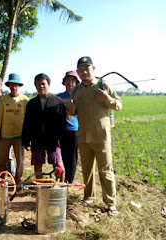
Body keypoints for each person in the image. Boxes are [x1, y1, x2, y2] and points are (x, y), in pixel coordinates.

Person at [67, 56, 122, 216]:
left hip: (101, 136)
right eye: (81, 69)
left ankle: (111, 204)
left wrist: (107, 98)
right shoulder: (76, 90)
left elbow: (118, 105)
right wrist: (71, 111)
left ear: (93, 69)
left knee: (105, 170)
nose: (84, 71)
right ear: (77, 72)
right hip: (83, 136)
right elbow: (75, 111)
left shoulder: (102, 85)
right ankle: (88, 196)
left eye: (87, 68)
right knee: (87, 170)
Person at [22, 73, 66, 182]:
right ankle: (40, 188)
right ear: (35, 86)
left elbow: (62, 122)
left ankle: (61, 186)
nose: (41, 86)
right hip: (37, 139)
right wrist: (26, 140)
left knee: (58, 164)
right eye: (38, 84)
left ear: (49, 85)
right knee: (37, 164)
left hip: (53, 139)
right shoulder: (32, 103)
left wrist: (60, 138)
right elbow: (27, 122)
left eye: (43, 84)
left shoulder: (57, 101)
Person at [0, 73, 29, 184]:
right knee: (1, 160)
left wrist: (27, 136)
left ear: (19, 86)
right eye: (11, 84)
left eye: (16, 85)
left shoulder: (24, 100)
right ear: (8, 86)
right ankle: (2, 180)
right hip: (5, 135)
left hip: (19, 135)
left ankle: (18, 180)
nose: (14, 87)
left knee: (20, 160)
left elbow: (28, 118)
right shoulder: (4, 100)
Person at [57, 71, 80, 183]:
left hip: (74, 131)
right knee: (59, 157)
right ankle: (60, 178)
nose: (70, 82)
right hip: (60, 130)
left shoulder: (79, 97)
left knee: (72, 158)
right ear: (64, 82)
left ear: (76, 82)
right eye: (68, 80)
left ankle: (69, 181)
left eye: (73, 80)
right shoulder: (58, 97)